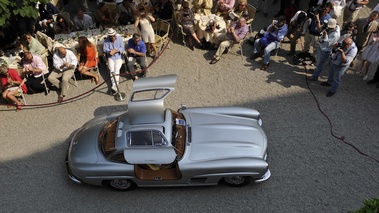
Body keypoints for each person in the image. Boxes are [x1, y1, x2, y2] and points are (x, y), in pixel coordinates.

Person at [103, 28, 125, 94]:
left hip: (118, 57)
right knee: (112, 70)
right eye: (111, 36)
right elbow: (105, 49)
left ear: (115, 35)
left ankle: (114, 86)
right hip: (111, 57)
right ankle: (115, 85)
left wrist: (115, 50)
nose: (112, 37)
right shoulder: (106, 40)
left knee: (117, 69)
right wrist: (109, 51)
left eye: (113, 36)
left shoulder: (119, 38)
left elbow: (122, 47)